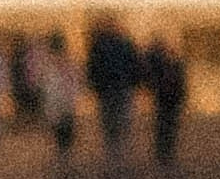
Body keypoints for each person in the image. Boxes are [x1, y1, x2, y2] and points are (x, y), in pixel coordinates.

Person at [85, 12, 143, 164]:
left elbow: (92, 67)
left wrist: (93, 85)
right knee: (119, 118)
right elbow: (135, 64)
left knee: (111, 119)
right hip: (118, 87)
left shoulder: (99, 44)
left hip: (110, 88)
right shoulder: (123, 43)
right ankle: (118, 150)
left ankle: (114, 150)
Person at [31, 31, 79, 169]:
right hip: (62, 97)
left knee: (60, 124)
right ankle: (65, 151)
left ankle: (63, 151)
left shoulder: (49, 61)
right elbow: (75, 80)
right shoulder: (68, 60)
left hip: (54, 97)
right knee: (65, 124)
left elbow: (40, 80)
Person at [143, 34, 189, 168]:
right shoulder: (163, 63)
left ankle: (165, 151)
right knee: (164, 125)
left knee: (168, 125)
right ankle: (163, 152)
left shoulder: (175, 64)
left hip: (171, 98)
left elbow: (182, 83)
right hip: (165, 98)